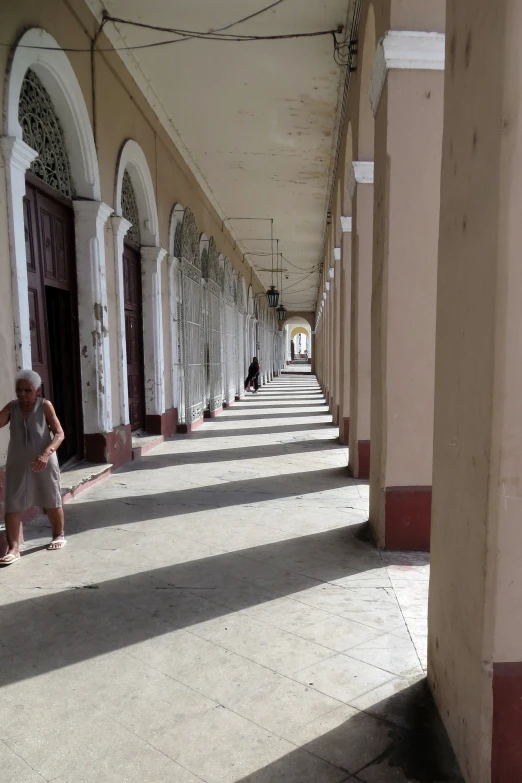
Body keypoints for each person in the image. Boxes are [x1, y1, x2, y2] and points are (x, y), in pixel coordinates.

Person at [0, 369, 66, 565]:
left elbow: (59, 434)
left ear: (37, 391)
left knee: (51, 498)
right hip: (17, 464)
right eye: (18, 390)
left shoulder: (45, 406)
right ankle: (14, 548)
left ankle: (58, 534)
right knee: (12, 504)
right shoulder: (12, 408)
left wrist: (46, 454)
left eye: (27, 390)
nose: (22, 394)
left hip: (44, 461)